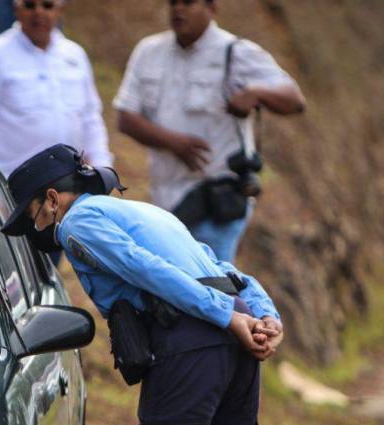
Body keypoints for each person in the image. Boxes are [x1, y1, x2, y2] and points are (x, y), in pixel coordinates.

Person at [1, 143, 284, 425]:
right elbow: (223, 268)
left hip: (191, 346)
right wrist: (265, 316)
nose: (37, 228)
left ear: (53, 199)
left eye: (34, 214)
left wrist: (225, 318)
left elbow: (148, 270)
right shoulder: (147, 213)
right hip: (236, 349)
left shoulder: (78, 223)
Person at [114, 0, 305, 263]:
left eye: (188, 3)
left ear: (212, 7)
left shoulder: (236, 52)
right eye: (173, 3)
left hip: (217, 202)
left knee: (213, 286)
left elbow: (294, 100)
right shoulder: (149, 51)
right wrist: (174, 143)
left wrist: (255, 92)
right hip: (165, 199)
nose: (178, 10)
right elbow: (125, 118)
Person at [0, 0, 112, 177]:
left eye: (47, 5)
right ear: (16, 9)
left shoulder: (75, 55)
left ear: (60, 10)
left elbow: (91, 119)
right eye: (29, 5)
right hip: (9, 186)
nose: (38, 12)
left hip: (71, 184)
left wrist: (102, 171)